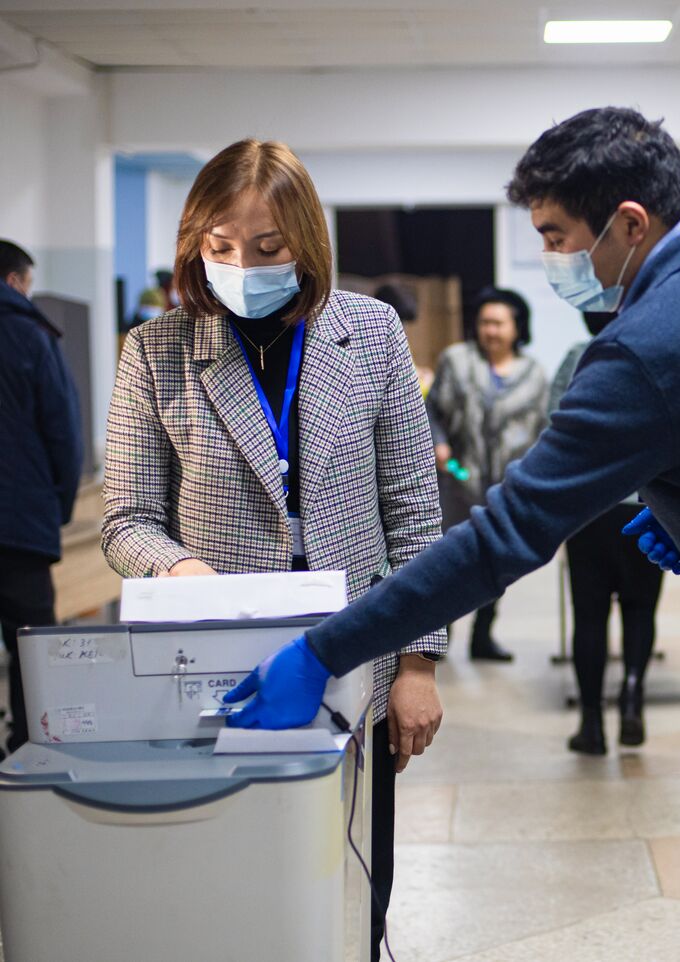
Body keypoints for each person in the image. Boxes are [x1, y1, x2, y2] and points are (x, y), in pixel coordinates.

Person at [222, 107, 680, 961]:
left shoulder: (643, 354)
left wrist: (328, 649)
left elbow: (505, 535)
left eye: (555, 236)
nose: (551, 261)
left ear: (630, 223)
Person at [100, 139, 445, 962]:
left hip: (355, 652)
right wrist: (185, 572)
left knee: (356, 875)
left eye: (267, 248)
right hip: (221, 652)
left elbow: (413, 511)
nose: (242, 265)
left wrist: (421, 665)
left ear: (307, 241)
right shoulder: (158, 351)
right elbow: (127, 521)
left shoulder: (369, 332)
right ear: (194, 242)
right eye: (220, 247)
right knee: (236, 878)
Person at [551, 311, 664, 755]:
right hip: (645, 508)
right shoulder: (653, 357)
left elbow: (556, 426)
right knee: (640, 609)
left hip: (591, 510)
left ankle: (591, 723)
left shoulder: (578, 359)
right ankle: (633, 693)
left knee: (590, 615)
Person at [425, 286, 548, 662]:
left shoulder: (533, 374)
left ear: (517, 327)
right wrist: (439, 443)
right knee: (448, 563)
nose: (490, 330)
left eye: (498, 323)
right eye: (483, 322)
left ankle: (483, 636)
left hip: (506, 491)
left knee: (497, 565)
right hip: (459, 480)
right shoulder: (457, 360)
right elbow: (430, 411)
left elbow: (543, 430)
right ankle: (438, 635)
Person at [0, 240, 83, 756]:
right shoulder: (31, 334)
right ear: (15, 281)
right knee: (30, 646)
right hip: (18, 522)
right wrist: (58, 507)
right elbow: (63, 430)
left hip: (20, 515)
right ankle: (30, 751)